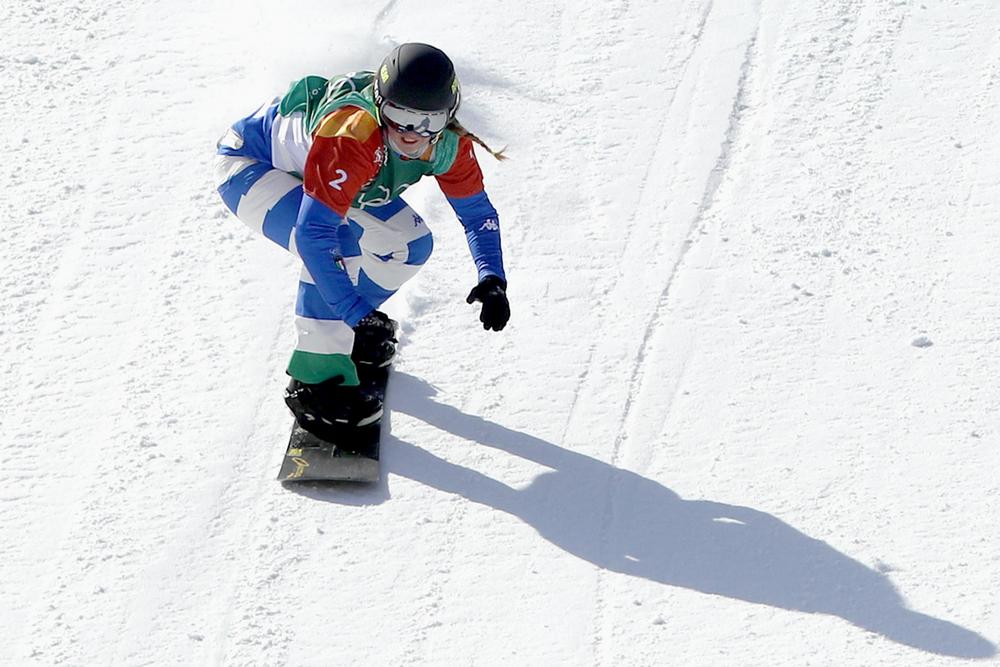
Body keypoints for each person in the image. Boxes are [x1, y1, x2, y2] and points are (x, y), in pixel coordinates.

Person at [213, 43, 509, 443]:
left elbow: (477, 215)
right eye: (400, 117)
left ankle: (341, 331)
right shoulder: (353, 135)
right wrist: (355, 314)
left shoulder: (449, 146)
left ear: (448, 116)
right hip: (251, 167)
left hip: (326, 177)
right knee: (341, 243)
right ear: (380, 104)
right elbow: (315, 237)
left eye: (429, 121)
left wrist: (492, 277)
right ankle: (315, 381)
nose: (412, 134)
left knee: (411, 244)